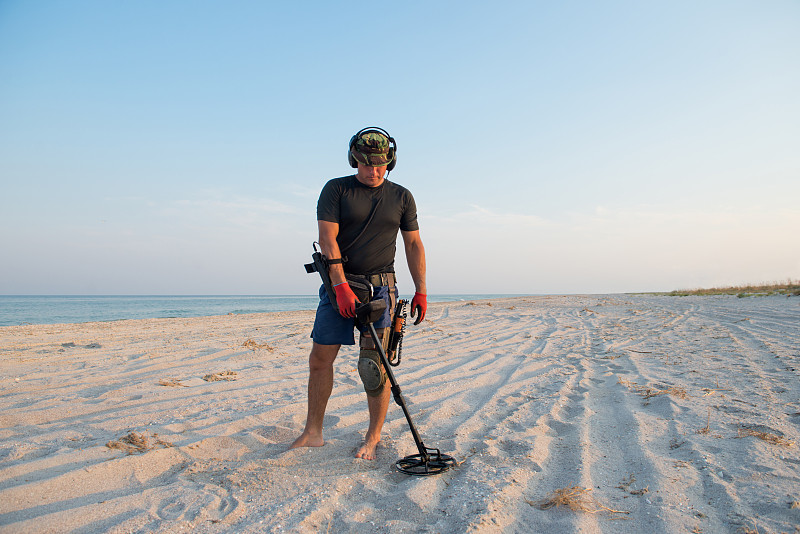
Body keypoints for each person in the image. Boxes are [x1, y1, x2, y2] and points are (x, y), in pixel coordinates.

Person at [290, 127, 428, 460]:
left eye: (380, 164)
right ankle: (313, 432)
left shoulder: (402, 197)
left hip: (381, 290)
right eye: (366, 164)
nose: (373, 171)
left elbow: (413, 243)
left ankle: (373, 436)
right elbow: (327, 239)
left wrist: (421, 290)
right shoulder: (336, 190)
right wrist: (339, 286)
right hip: (339, 285)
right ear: (354, 159)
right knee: (320, 360)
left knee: (373, 366)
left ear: (390, 161)